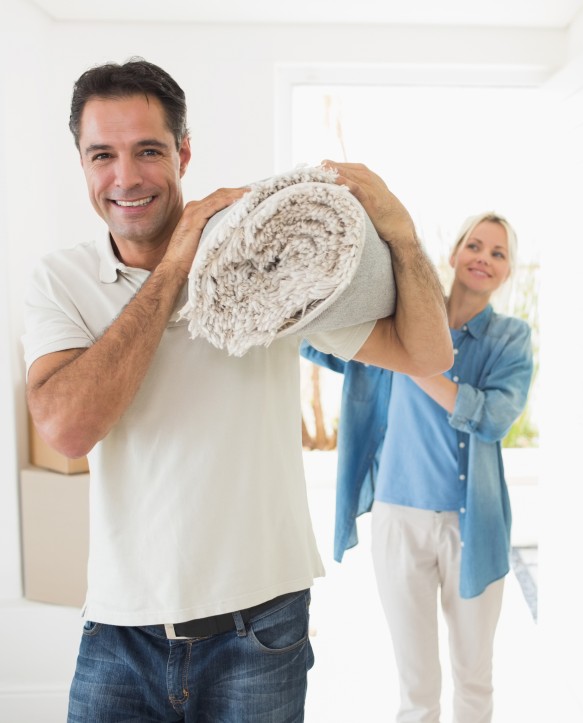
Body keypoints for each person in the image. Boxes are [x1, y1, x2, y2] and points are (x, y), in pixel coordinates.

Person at [21, 57, 451, 722]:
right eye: (101, 154)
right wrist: (174, 271)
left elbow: (428, 351)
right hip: (120, 630)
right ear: (80, 161)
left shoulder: (259, 262)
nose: (126, 177)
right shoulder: (59, 281)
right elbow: (68, 426)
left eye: (148, 151)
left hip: (260, 630)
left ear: (184, 152)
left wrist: (399, 231)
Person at [301, 211, 534, 723]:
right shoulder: (397, 323)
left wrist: (411, 357)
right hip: (398, 519)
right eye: (475, 246)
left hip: (472, 528)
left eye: (498, 254)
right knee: (417, 687)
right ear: (453, 255)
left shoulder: (509, 340)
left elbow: (492, 417)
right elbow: (320, 342)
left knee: (474, 678)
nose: (483, 259)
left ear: (508, 272)